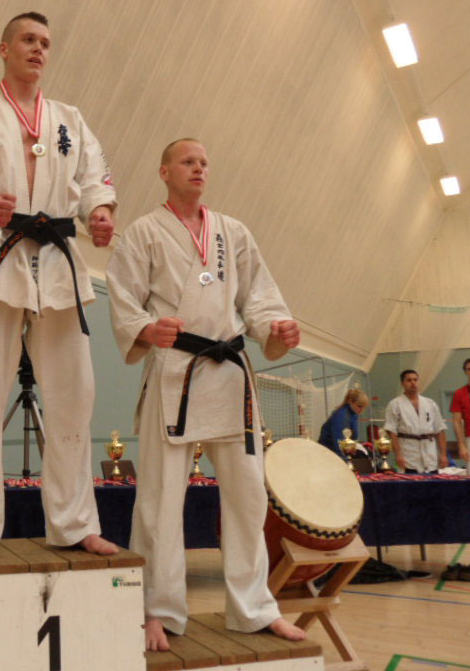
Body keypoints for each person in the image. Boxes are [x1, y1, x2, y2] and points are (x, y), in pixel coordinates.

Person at [106, 138, 305, 651]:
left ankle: (255, 608)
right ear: (164, 171)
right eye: (188, 162)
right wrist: (146, 329)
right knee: (159, 499)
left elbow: (258, 295)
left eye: (204, 163)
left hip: (229, 373)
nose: (198, 168)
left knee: (248, 496)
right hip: (177, 370)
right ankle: (156, 609)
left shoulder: (233, 231)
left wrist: (275, 327)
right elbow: (124, 296)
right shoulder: (144, 233)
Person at [0, 12, 117, 563]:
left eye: (45, 43)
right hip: (0, 251)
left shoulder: (69, 118)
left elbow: (94, 182)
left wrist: (101, 214)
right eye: (28, 40)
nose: (38, 49)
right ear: (4, 48)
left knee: (74, 394)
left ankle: (75, 522)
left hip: (59, 258)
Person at [384, 370, 448, 474]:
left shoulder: (430, 403)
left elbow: (439, 429)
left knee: (432, 481)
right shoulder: (395, 404)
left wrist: (443, 454)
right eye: (409, 380)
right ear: (402, 383)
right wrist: (398, 455)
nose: (413, 383)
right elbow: (392, 432)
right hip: (408, 453)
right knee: (410, 481)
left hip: (429, 452)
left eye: (415, 380)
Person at [318, 389, 369, 459]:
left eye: (364, 407)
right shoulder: (341, 416)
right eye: (359, 406)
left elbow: (354, 437)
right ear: (350, 401)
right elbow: (339, 443)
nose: (362, 410)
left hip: (339, 451)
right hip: (329, 453)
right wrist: (345, 461)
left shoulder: (353, 414)